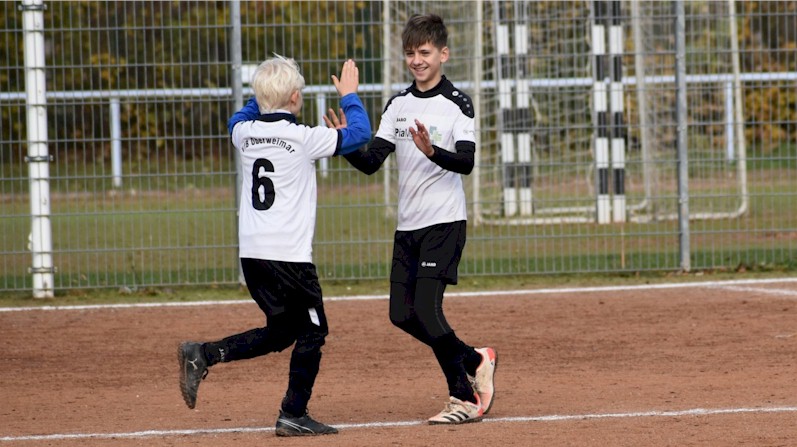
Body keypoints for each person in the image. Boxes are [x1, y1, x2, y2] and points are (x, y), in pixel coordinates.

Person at [177, 55, 371, 437]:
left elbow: (239, 118)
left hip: (253, 256)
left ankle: (203, 354)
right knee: (314, 330)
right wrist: (349, 95)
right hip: (289, 258)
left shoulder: (243, 133)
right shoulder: (304, 137)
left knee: (283, 331)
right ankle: (293, 413)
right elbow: (360, 133)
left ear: (261, 98)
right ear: (296, 97)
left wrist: (263, 98)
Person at [342, 13, 497, 425]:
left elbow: (466, 162)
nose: (417, 60)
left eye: (425, 52)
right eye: (410, 53)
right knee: (401, 314)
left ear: (443, 54)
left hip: (444, 222)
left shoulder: (458, 103)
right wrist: (344, 143)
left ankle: (463, 398)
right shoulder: (398, 105)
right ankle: (474, 359)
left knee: (427, 309)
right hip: (407, 226)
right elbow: (371, 162)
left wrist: (432, 152)